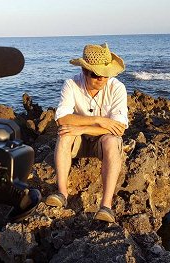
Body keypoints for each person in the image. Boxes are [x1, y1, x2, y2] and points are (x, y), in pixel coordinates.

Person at [45, 43, 128, 223]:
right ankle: (62, 193)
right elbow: (62, 119)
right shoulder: (71, 84)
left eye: (106, 74)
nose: (102, 79)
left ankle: (106, 207)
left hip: (102, 141)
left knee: (112, 141)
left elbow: (119, 128)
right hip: (79, 141)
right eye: (96, 74)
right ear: (84, 70)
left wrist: (82, 127)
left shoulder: (117, 88)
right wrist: (99, 120)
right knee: (65, 133)